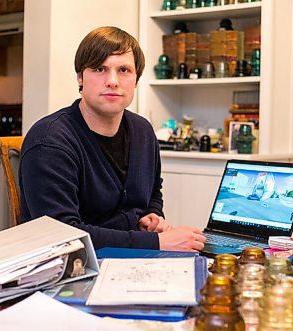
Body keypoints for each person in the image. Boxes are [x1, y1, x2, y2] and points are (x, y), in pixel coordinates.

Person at [19, 26, 205, 251]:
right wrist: (157, 242)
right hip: (72, 269)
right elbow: (62, 235)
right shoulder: (50, 141)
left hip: (132, 261)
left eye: (124, 70)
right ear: (80, 77)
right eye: (100, 68)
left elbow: (153, 192)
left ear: (135, 80)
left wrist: (152, 216)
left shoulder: (143, 131)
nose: (113, 81)